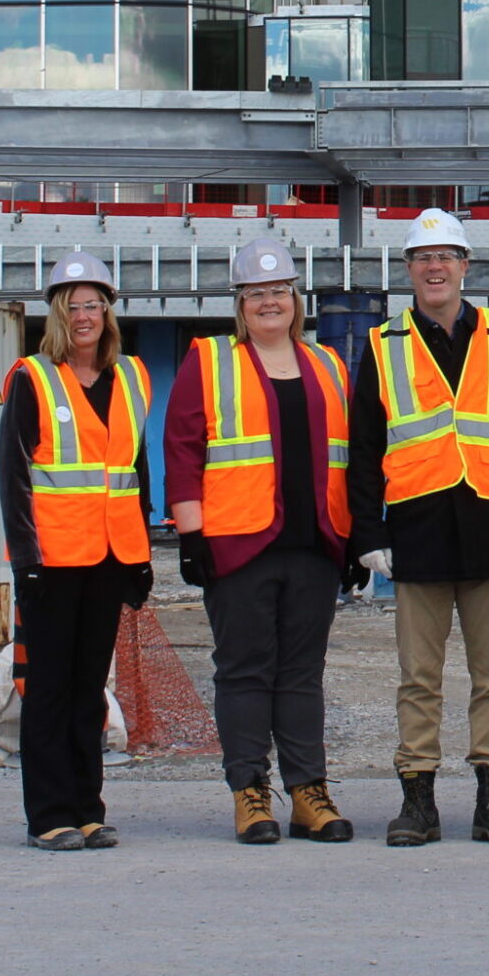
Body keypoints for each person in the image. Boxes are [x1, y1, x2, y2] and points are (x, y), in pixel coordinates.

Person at [347, 207, 489, 847]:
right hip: (418, 530)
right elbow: (363, 447)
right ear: (408, 269)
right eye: (423, 258)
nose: (435, 267)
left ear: (466, 266)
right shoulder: (384, 345)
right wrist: (369, 535)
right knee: (419, 676)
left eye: (446, 256)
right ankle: (418, 801)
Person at [163, 238, 362, 845]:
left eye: (279, 292)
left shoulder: (327, 364)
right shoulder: (211, 359)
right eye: (256, 295)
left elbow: (346, 458)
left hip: (314, 546)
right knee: (245, 672)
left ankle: (308, 793)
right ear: (240, 304)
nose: (269, 303)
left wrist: (350, 534)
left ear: (295, 299)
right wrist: (192, 535)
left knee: (302, 673)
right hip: (238, 546)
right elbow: (183, 448)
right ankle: (250, 792)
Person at [0, 250, 153, 851]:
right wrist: (25, 561)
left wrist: (140, 558)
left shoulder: (132, 377)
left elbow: (135, 472)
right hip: (53, 563)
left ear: (108, 312)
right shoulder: (32, 378)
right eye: (73, 305)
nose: (84, 315)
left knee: (90, 688)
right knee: (51, 688)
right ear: (57, 314)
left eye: (94, 304)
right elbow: (13, 476)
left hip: (112, 558)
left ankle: (89, 808)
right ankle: (50, 814)